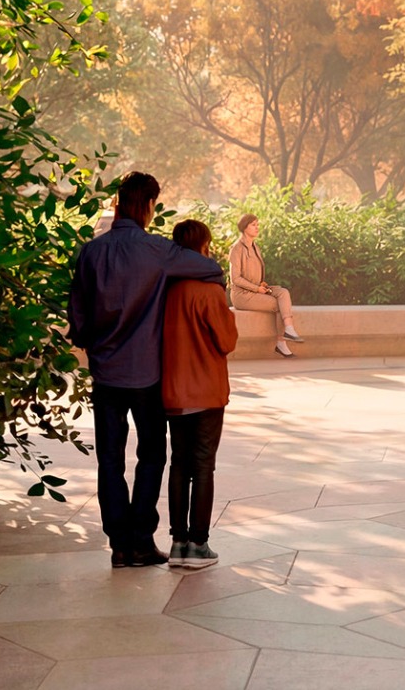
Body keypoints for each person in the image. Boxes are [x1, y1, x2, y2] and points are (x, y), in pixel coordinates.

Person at [67, 172, 224, 569]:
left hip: (105, 375)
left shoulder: (91, 253)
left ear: (118, 203)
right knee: (152, 456)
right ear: (150, 205)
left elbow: (78, 319)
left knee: (110, 461)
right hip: (148, 376)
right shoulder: (157, 251)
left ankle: (119, 545)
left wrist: (97, 345)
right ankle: (141, 538)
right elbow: (210, 270)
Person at [160, 220, 237, 571]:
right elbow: (227, 341)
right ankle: (199, 545)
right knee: (203, 465)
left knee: (179, 463)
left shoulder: (165, 290)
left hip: (174, 390)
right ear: (204, 247)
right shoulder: (210, 290)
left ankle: (176, 542)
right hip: (206, 390)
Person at [228, 213, 303, 357]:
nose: (257, 228)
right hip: (242, 295)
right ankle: (281, 343)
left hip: (256, 290)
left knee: (283, 292)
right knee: (278, 304)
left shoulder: (256, 247)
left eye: (258, 224)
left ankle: (289, 328)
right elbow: (235, 278)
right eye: (253, 225)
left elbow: (255, 272)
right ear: (244, 228)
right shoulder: (236, 249)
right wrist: (256, 288)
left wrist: (261, 284)